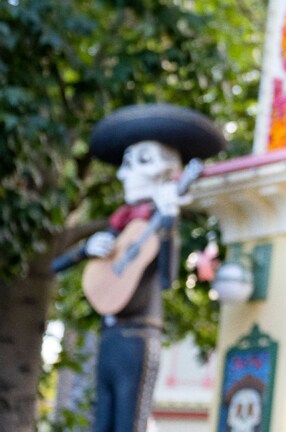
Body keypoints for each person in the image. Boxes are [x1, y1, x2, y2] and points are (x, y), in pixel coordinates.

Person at [63, 104, 225, 432]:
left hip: (139, 336)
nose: (125, 174)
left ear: (168, 172)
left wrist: (168, 222)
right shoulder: (121, 225)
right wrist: (87, 248)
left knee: (129, 420)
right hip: (109, 336)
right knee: (101, 419)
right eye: (125, 163)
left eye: (142, 161)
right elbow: (60, 264)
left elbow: (167, 279)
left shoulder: (159, 223)